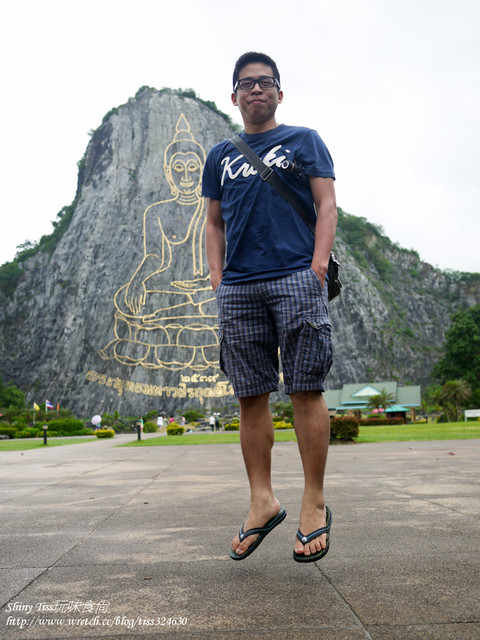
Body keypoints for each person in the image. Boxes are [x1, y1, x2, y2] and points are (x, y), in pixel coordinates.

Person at [202, 52, 337, 562]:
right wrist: (218, 279)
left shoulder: (304, 141)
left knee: (306, 388)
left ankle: (313, 500)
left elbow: (326, 204)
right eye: (246, 84)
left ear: (280, 93)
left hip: (296, 279)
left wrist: (317, 265)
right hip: (239, 287)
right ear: (234, 97)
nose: (256, 90)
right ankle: (263, 501)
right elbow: (213, 223)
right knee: (249, 395)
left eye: (265, 82)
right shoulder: (220, 155)